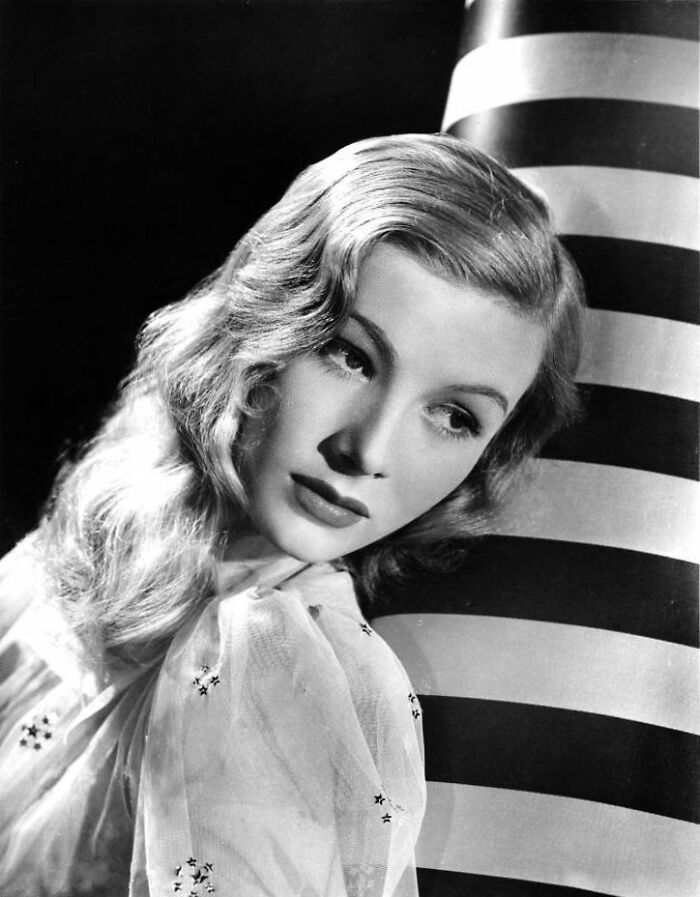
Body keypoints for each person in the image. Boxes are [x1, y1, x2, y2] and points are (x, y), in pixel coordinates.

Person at [0, 133, 584, 896]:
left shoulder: (268, 666)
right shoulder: (101, 522)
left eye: (453, 416)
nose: (368, 449)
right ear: (263, 316)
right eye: (351, 356)